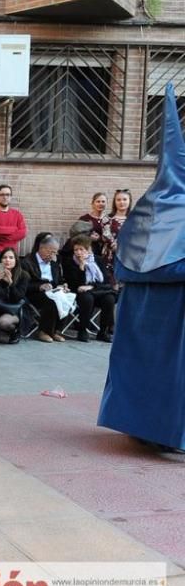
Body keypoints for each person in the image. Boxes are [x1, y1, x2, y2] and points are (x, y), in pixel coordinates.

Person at [98, 85, 185, 452]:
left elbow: (131, 261)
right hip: (171, 308)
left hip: (147, 307)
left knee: (143, 362)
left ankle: (139, 424)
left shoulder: (146, 208)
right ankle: (167, 433)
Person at [61, 235, 116, 343]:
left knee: (109, 299)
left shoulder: (98, 260)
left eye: (81, 249)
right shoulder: (70, 262)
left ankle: (103, 332)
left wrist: (91, 287)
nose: (78, 252)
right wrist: (81, 268)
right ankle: (82, 330)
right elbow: (75, 285)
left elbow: (106, 281)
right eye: (76, 249)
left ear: (88, 249)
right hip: (79, 293)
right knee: (87, 298)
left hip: (97, 290)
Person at [20, 234, 68, 343]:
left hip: (53, 291)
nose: (53, 255)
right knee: (51, 300)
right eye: (51, 252)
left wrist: (63, 285)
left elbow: (59, 280)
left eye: (55, 252)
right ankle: (43, 331)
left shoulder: (54, 262)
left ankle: (57, 331)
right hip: (35, 293)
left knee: (67, 297)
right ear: (42, 248)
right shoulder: (27, 262)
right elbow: (24, 285)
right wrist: (39, 286)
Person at [0, 247, 28, 344]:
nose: (7, 260)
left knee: (3, 322)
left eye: (11, 258)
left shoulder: (23, 275)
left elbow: (17, 298)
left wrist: (11, 284)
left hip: (13, 310)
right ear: (0, 260)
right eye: (4, 257)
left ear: (16, 260)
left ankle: (14, 332)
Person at [0, 184, 27, 266]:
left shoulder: (17, 214)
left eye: (8, 195)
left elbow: (23, 232)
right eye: (2, 195)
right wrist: (14, 229)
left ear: (10, 197)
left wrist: (2, 235)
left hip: (12, 252)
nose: (5, 197)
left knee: (12, 276)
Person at [78, 192, 109, 257]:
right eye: (98, 201)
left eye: (103, 201)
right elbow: (78, 235)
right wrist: (89, 237)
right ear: (93, 204)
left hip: (105, 253)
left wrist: (99, 238)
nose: (101, 203)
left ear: (106, 204)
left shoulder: (109, 219)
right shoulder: (84, 218)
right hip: (88, 252)